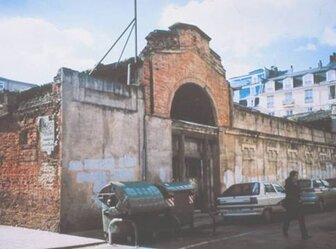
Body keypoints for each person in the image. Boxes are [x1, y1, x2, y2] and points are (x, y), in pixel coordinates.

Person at [282, 170, 312, 240]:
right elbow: (290, 194)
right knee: (288, 218)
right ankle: (284, 230)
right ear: (293, 176)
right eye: (296, 175)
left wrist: (300, 194)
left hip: (297, 203)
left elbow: (298, 190)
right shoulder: (288, 183)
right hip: (291, 204)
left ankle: (304, 235)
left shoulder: (296, 182)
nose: (297, 177)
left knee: (301, 219)